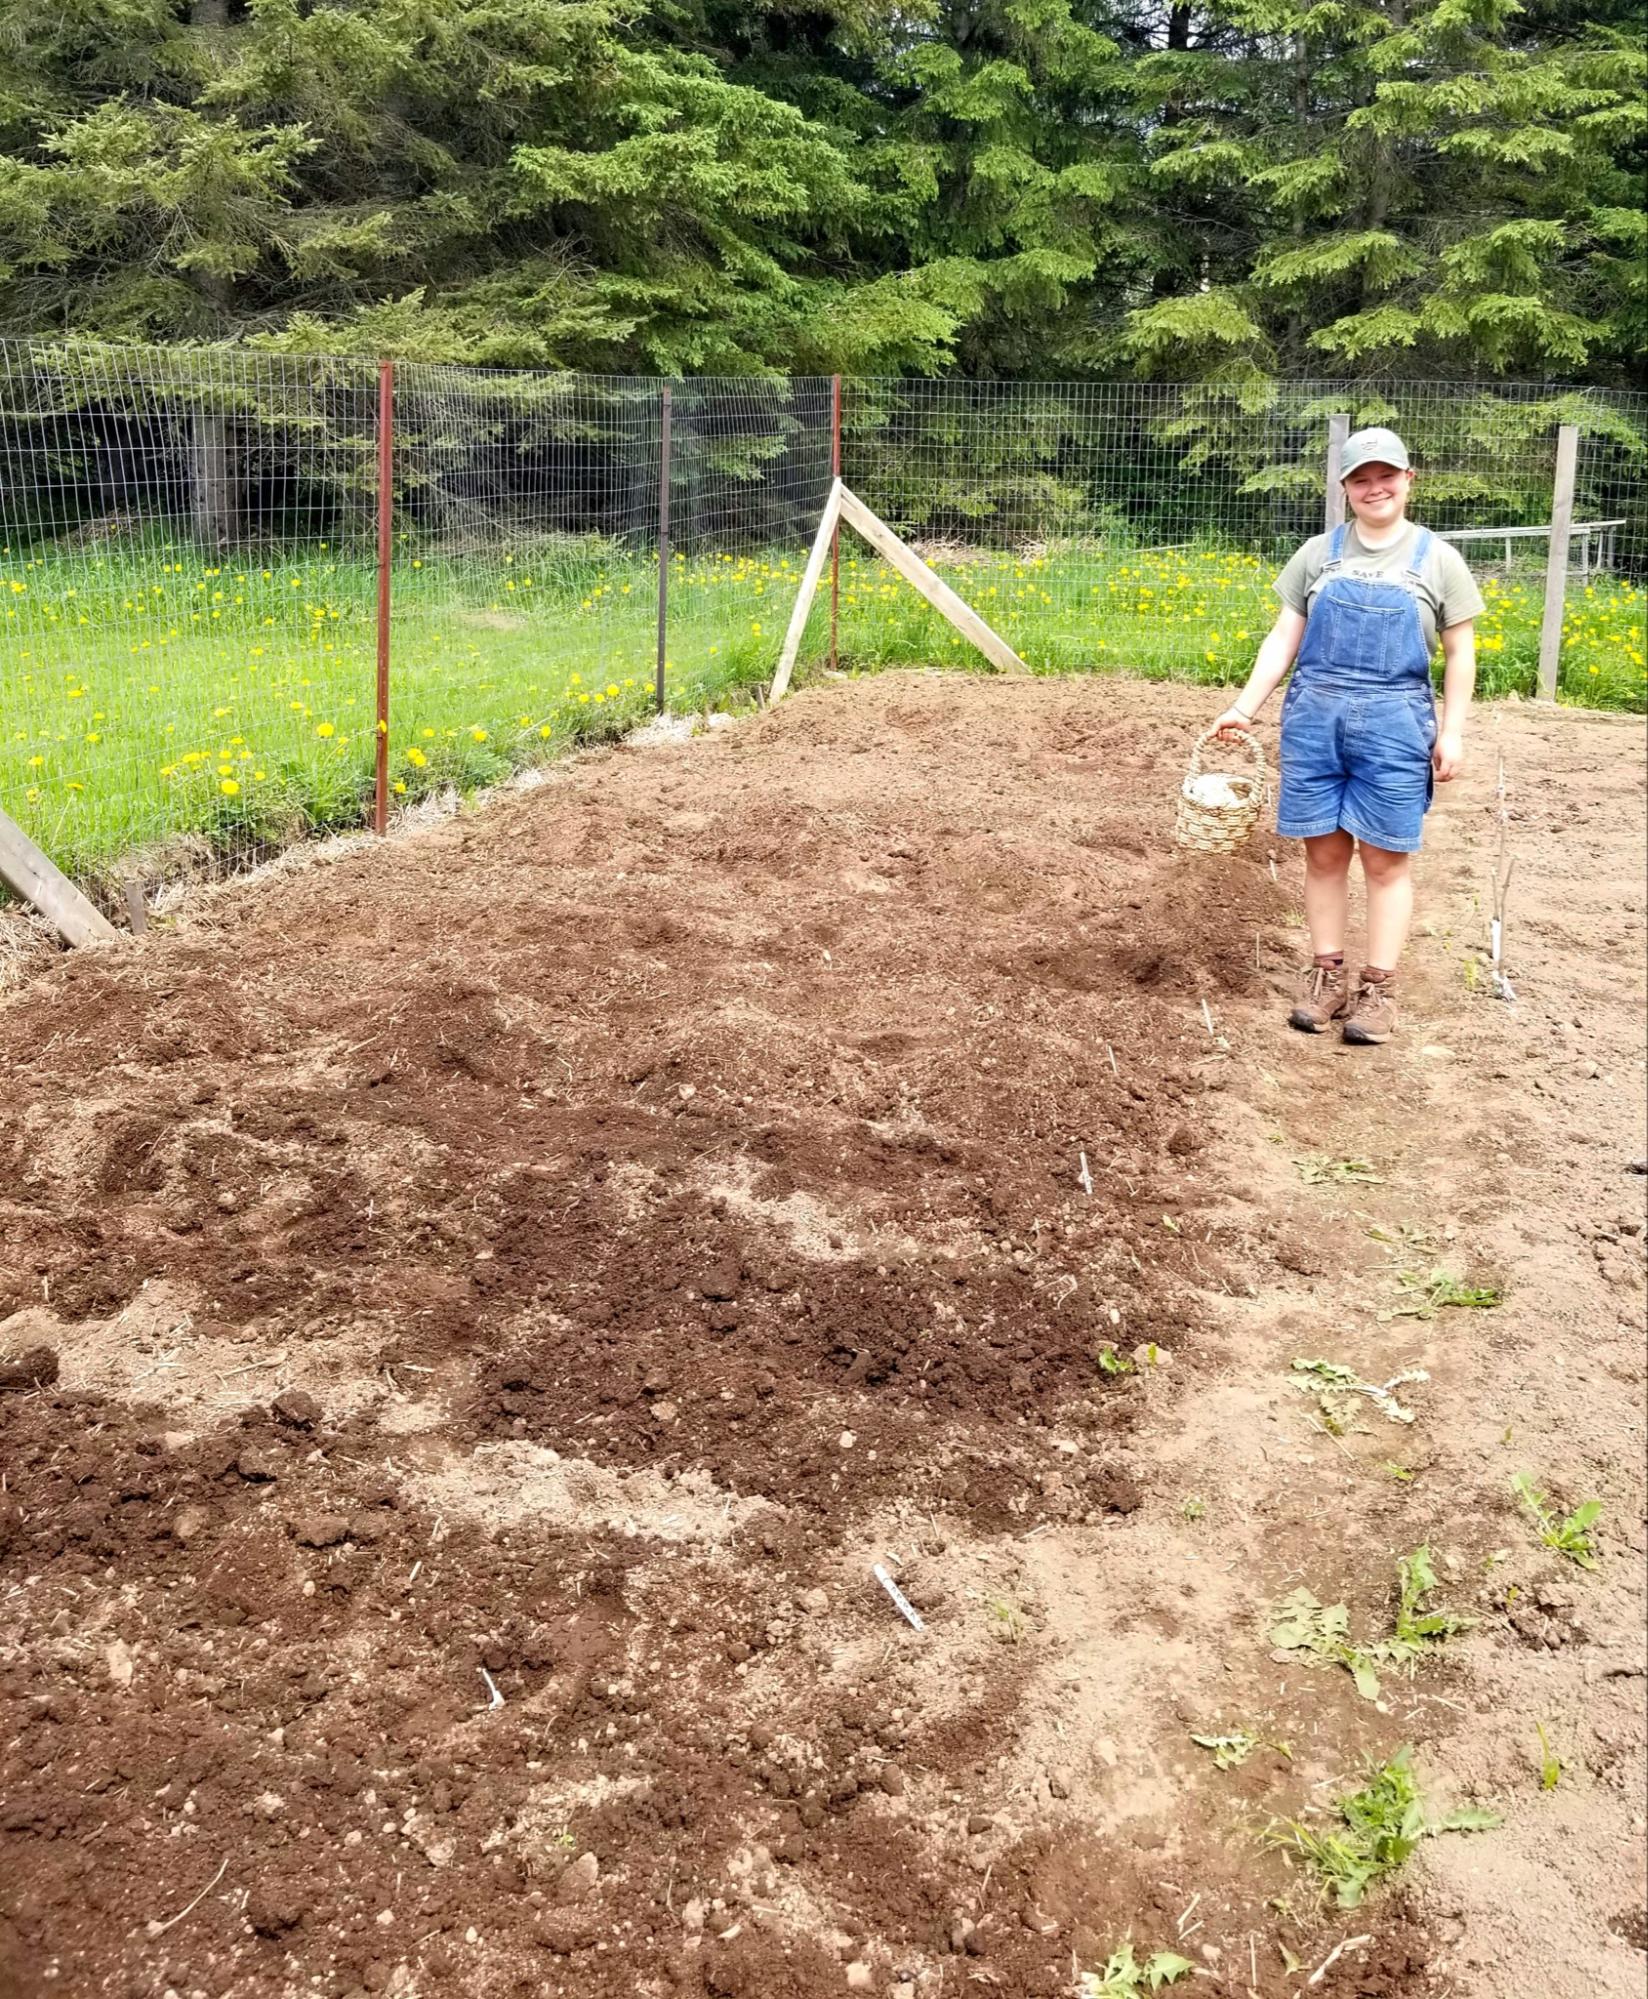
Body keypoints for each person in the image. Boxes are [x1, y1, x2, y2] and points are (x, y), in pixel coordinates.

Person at [1212, 426, 1483, 1045]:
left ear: (1408, 480)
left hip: (1395, 724)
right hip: (1316, 721)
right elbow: (1284, 638)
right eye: (1361, 479)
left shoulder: (1437, 559)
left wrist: (1454, 732)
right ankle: (1326, 974)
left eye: (1386, 476)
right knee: (1324, 854)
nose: (1374, 488)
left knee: (1386, 859)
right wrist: (1244, 708)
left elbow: (1460, 653)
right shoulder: (1317, 554)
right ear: (1345, 489)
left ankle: (1378, 988)